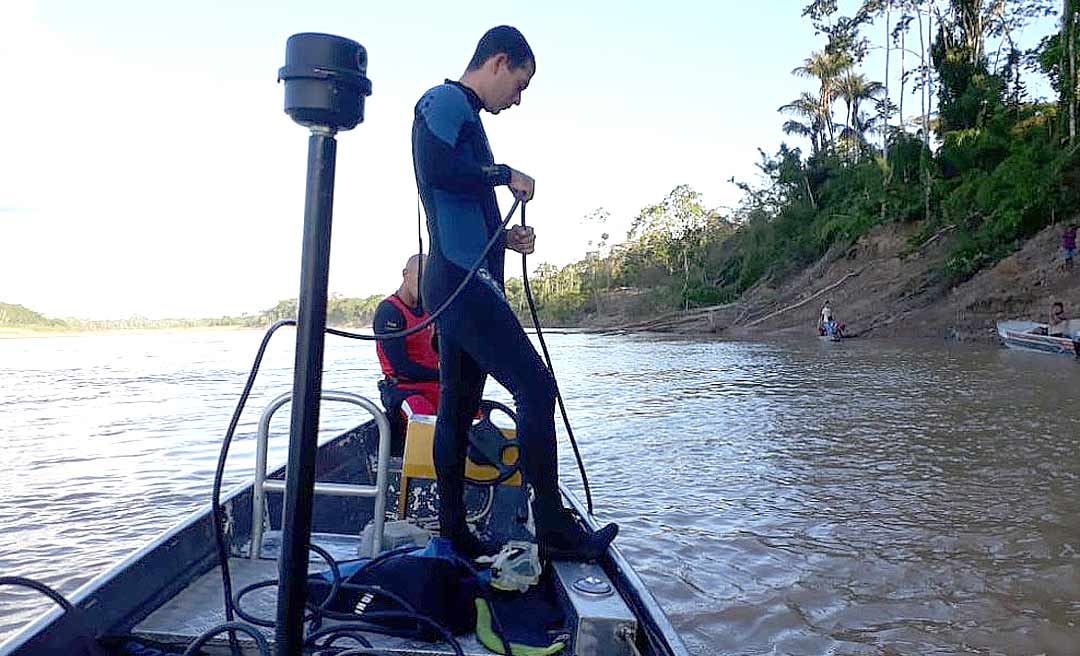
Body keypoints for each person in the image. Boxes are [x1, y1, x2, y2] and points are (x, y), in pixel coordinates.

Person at [412, 25, 617, 561]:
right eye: (520, 84)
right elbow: (436, 170)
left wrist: (505, 237)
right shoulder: (444, 101)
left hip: (456, 278)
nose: (518, 98)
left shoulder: (465, 117)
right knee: (535, 388)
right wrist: (503, 173)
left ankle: (453, 531)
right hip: (460, 281)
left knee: (458, 405)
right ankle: (551, 526)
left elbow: (458, 200)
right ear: (499, 62)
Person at [373, 255, 440, 451]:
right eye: (420, 277)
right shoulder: (389, 311)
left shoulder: (432, 308)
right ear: (405, 275)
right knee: (424, 417)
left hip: (436, 385)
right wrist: (446, 374)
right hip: (403, 390)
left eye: (430, 279)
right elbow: (400, 367)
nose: (425, 284)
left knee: (474, 414)